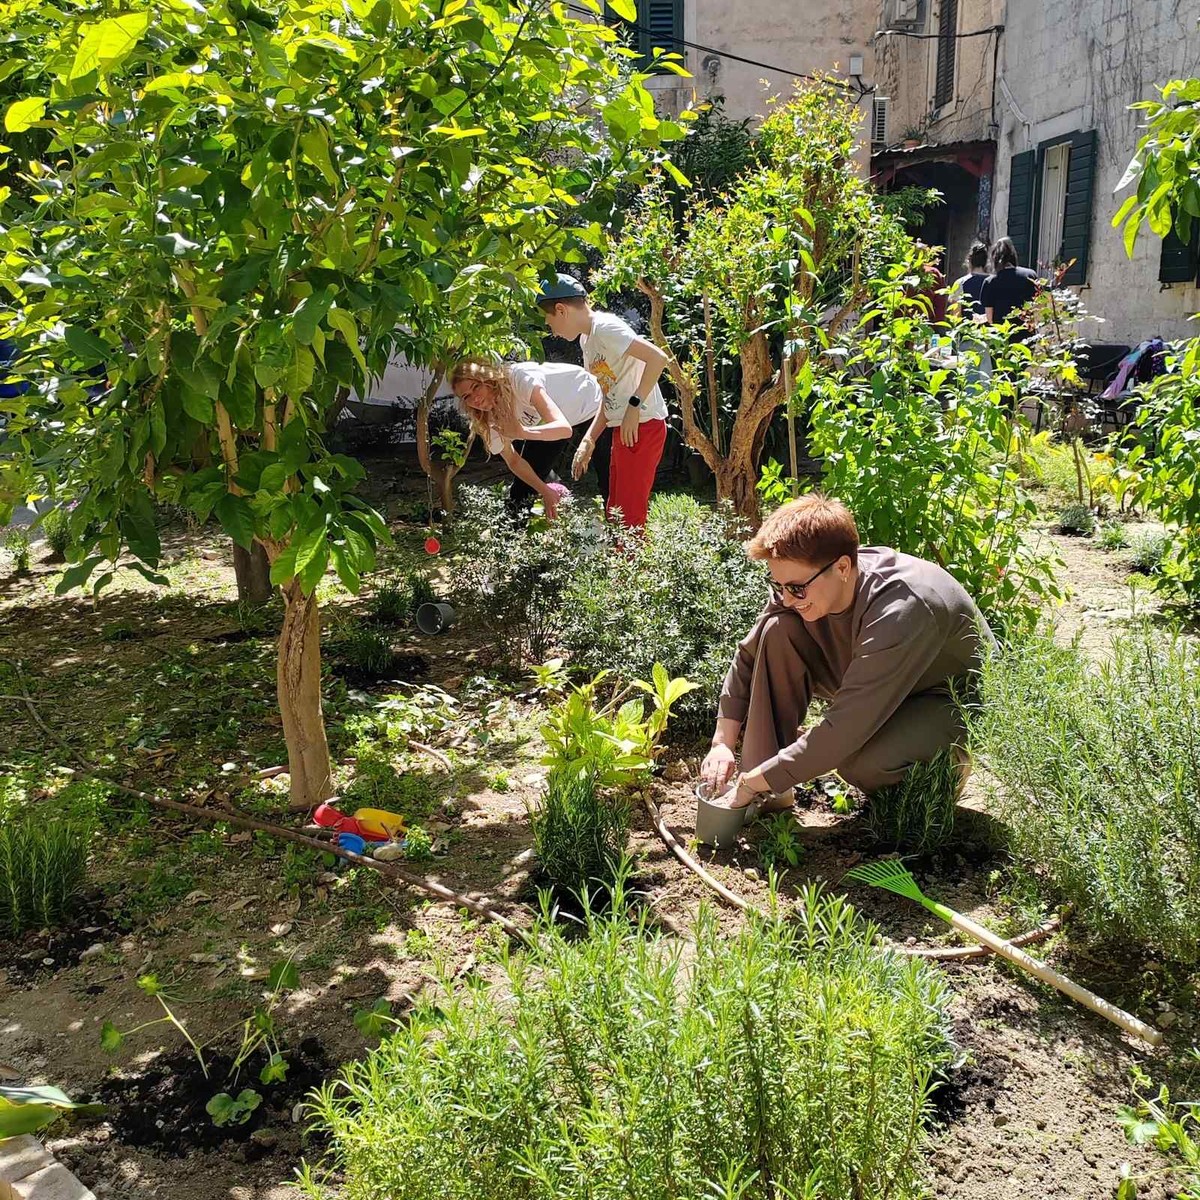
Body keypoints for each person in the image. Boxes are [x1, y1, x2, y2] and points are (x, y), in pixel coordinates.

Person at [700, 494, 990, 811]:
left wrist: (751, 781)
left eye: (795, 588)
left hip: (948, 701)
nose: (785, 598)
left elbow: (844, 731)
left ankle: (948, 769)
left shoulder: (902, 608)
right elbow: (749, 655)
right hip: (881, 683)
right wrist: (722, 744)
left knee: (858, 762)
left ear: (841, 567)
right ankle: (769, 799)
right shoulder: (807, 583)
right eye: (778, 585)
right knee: (776, 631)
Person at [537, 273, 670, 530]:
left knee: (629, 516)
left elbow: (657, 358)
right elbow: (608, 396)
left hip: (643, 425)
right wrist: (589, 439)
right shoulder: (588, 340)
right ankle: (622, 567)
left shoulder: (606, 328)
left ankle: (634, 569)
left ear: (561, 310)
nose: (550, 329)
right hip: (624, 427)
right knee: (616, 510)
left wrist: (634, 404)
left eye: (549, 320)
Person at [450, 357, 603, 519]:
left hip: (593, 404)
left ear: (488, 378)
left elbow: (563, 429)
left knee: (609, 478)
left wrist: (522, 432)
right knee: (521, 492)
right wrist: (546, 491)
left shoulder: (519, 379)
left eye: (476, 387)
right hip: (550, 423)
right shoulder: (486, 420)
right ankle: (512, 538)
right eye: (466, 396)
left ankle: (622, 534)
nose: (475, 398)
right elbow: (514, 461)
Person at [980, 236, 1039, 326]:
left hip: (1002, 334)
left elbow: (990, 318)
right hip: (1027, 333)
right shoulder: (1031, 275)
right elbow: (1038, 309)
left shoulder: (990, 282)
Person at [948, 240, 989, 319]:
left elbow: (955, 315)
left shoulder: (960, 282)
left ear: (969, 261)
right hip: (991, 329)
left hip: (968, 329)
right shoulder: (994, 281)